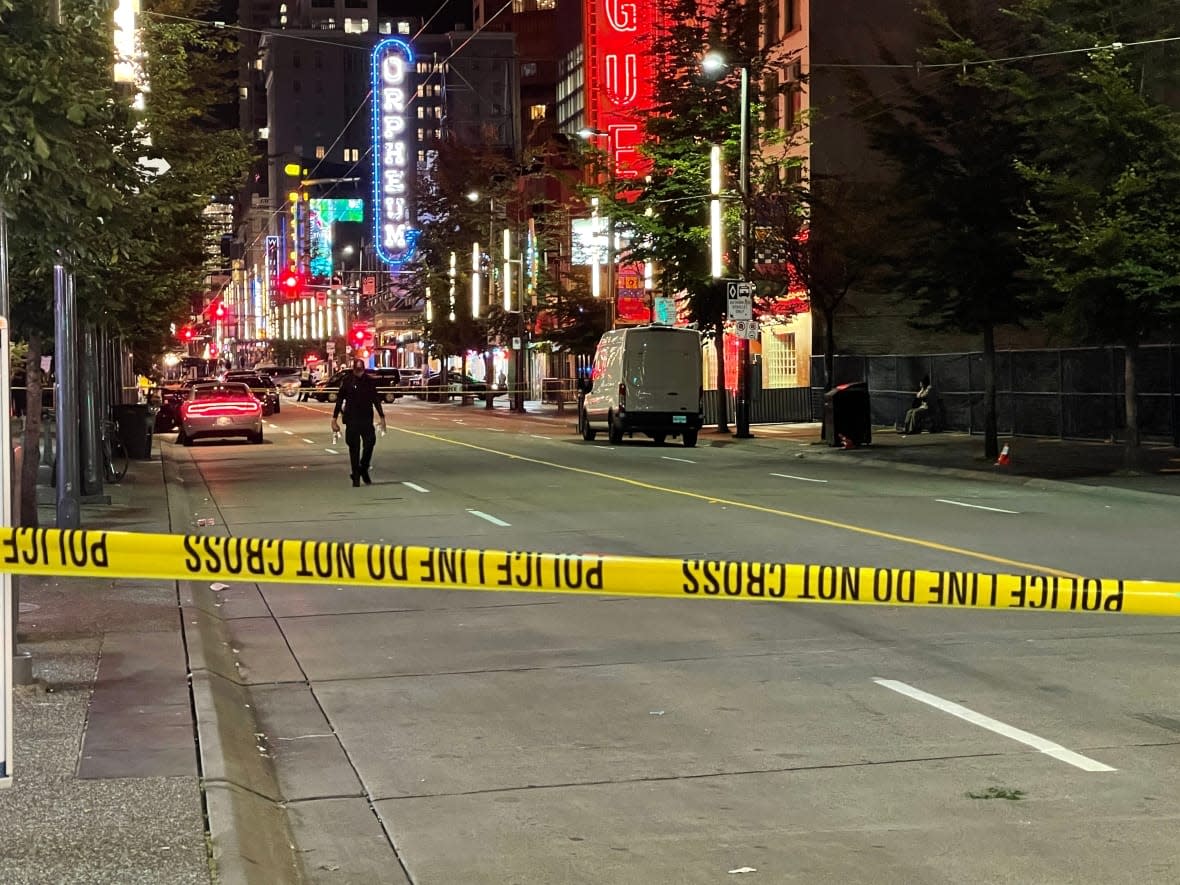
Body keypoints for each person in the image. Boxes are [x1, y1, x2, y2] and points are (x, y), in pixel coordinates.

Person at [330, 359, 387, 486]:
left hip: (367, 418)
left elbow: (375, 399)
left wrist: (382, 417)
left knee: (370, 443)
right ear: (353, 369)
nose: (359, 373)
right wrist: (334, 419)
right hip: (352, 419)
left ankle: (363, 468)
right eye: (357, 370)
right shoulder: (347, 381)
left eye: (361, 370)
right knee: (354, 448)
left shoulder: (369, 381)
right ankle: (356, 475)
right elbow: (339, 400)